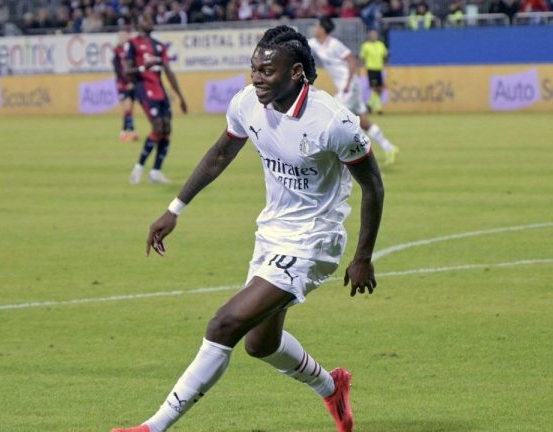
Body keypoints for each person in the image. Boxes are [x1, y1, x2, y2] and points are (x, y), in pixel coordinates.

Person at [111, 25, 384, 432]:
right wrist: (176, 208)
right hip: (271, 233)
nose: (256, 77)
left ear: (295, 73)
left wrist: (363, 257)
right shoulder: (247, 103)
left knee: (224, 324)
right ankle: (332, 387)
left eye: (266, 70)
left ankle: (153, 426)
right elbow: (221, 152)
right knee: (261, 345)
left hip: (314, 240)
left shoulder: (333, 122)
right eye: (253, 68)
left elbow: (373, 186)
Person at [308, 17, 399, 166]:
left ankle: (348, 155)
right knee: (363, 121)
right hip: (345, 86)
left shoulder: (334, 44)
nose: (314, 29)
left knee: (334, 115)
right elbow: (300, 43)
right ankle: (389, 148)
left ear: (323, 29)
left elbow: (352, 61)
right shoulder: (315, 44)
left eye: (317, 26)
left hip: (349, 85)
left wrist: (348, 84)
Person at [124, 21, 188, 185]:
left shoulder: (159, 46)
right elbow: (126, 71)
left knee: (167, 129)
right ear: (139, 23)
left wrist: (181, 97)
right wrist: (142, 68)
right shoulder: (132, 44)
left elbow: (169, 72)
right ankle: (138, 168)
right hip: (144, 89)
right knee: (158, 127)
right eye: (146, 19)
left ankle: (155, 172)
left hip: (160, 91)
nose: (150, 22)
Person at [113, 30, 139, 142]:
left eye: (125, 36)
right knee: (127, 108)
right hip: (122, 83)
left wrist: (133, 81)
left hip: (132, 83)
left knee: (130, 109)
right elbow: (117, 69)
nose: (123, 38)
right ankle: (128, 132)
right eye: (121, 36)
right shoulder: (117, 51)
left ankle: (126, 132)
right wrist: (126, 81)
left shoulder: (131, 49)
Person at [359, 29, 388, 115]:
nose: (373, 36)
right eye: (372, 35)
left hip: (379, 68)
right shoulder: (365, 46)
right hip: (371, 69)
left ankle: (369, 103)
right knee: (374, 87)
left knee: (379, 88)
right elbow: (362, 57)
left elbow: (385, 56)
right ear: (369, 36)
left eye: (375, 35)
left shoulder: (381, 45)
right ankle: (378, 108)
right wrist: (361, 67)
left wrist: (385, 64)